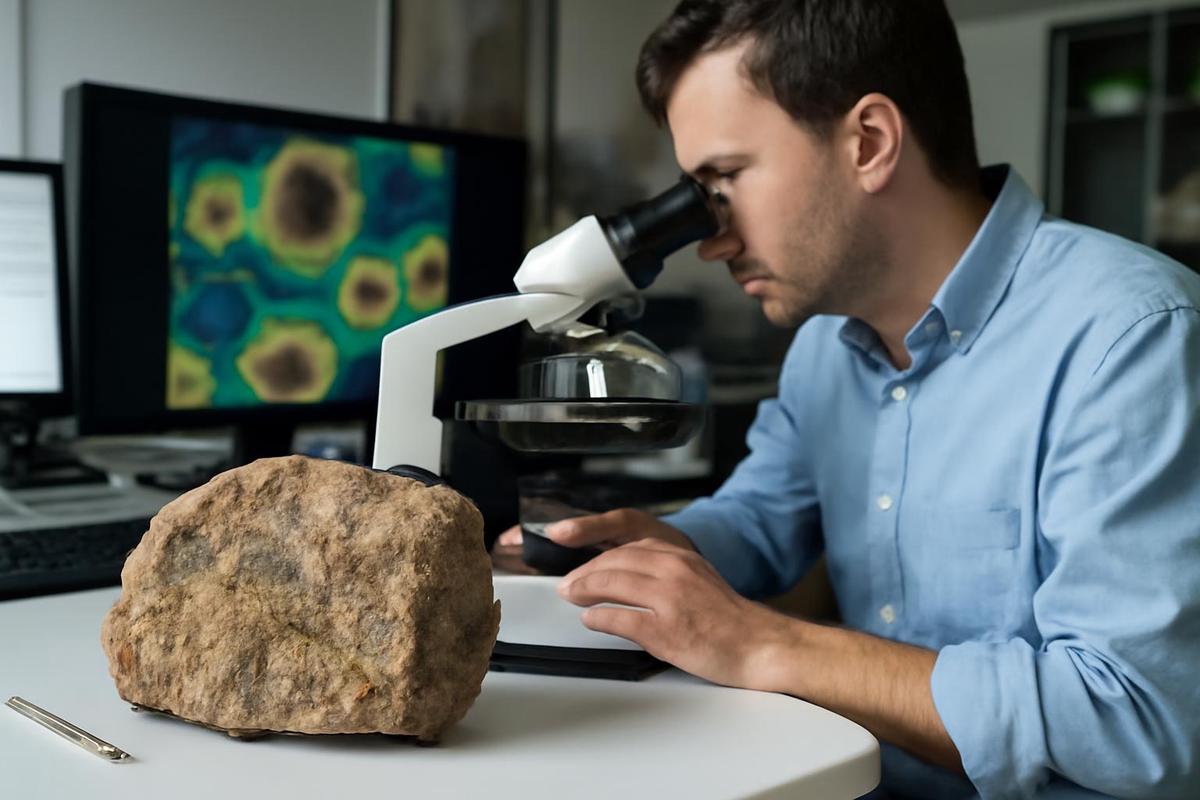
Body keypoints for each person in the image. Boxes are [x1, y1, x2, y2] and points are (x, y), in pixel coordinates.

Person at [495, 1, 1200, 796]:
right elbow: (762, 522)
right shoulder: (826, 349)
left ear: (869, 142)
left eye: (724, 181)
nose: (712, 238)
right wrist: (648, 554)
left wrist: (767, 645)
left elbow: (1139, 719)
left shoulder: (1130, 336)